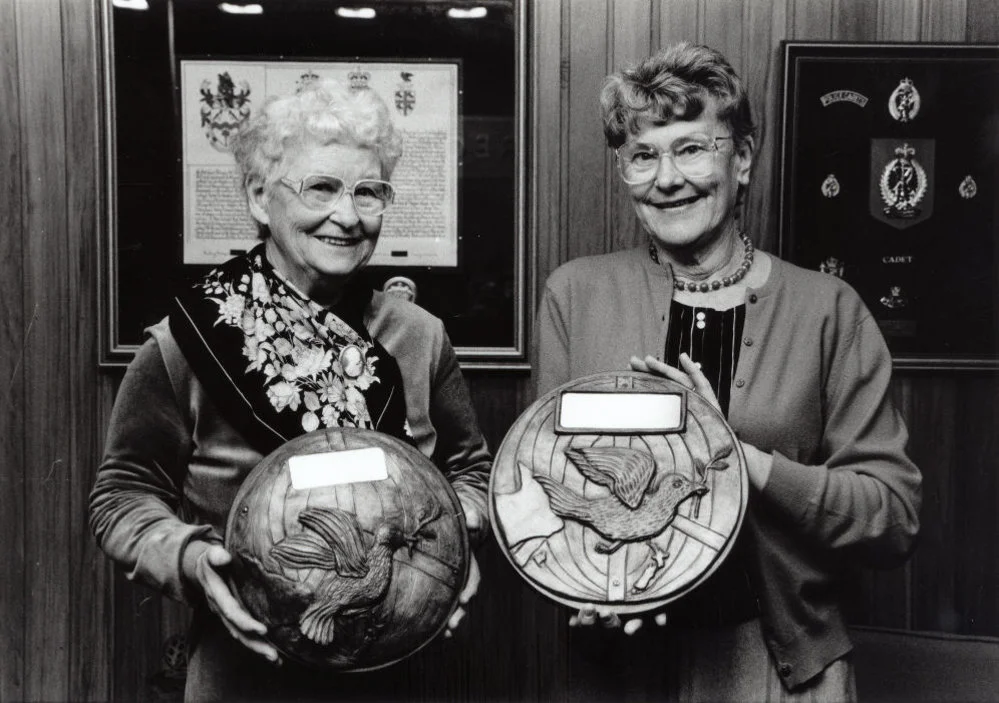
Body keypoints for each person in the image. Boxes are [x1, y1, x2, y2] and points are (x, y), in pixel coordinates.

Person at [536, 42, 921, 702]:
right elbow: (548, 483)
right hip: (619, 664)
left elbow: (891, 517)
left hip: (775, 664)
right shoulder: (575, 295)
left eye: (690, 148)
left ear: (740, 159)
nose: (666, 177)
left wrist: (744, 460)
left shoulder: (825, 309)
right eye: (641, 156)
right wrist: (575, 574)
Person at [90, 78, 491, 702]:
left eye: (369, 192)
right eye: (321, 188)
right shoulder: (186, 342)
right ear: (258, 196)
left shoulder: (418, 336)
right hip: (245, 669)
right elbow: (121, 499)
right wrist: (193, 561)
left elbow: (469, 470)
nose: (348, 216)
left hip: (402, 665)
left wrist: (455, 543)